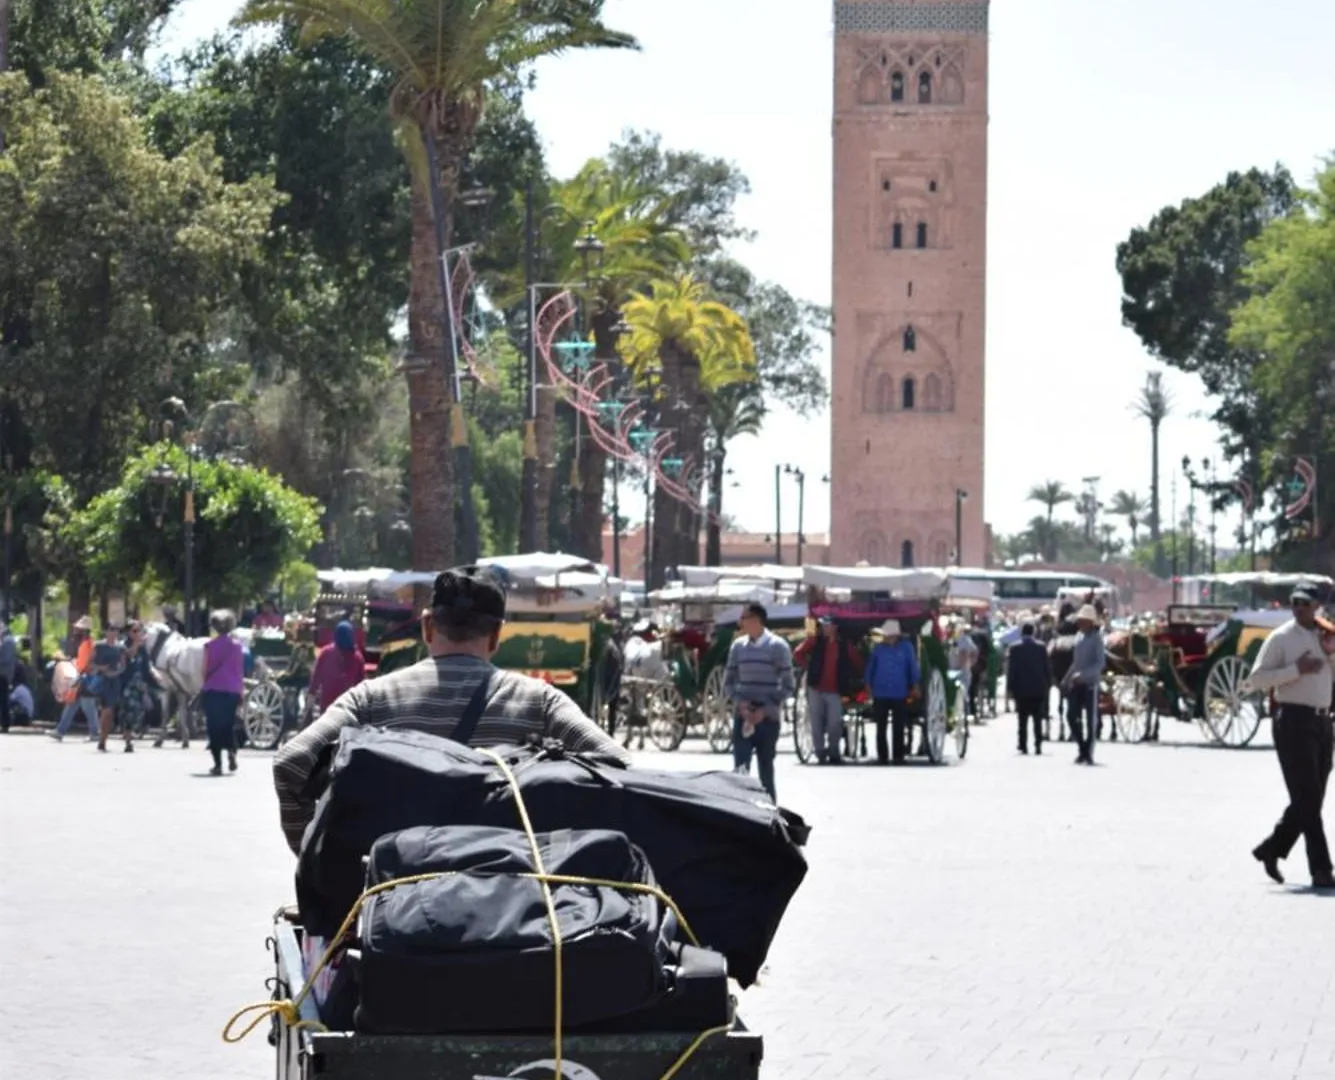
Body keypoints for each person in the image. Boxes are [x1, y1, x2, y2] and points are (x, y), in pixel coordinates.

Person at [273, 568, 631, 854]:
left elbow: (291, 763)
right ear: (496, 636)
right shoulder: (541, 702)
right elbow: (621, 769)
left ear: (428, 626)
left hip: (392, 910)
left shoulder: (370, 699)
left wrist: (314, 855)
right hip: (511, 908)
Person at [1246, 586, 1335, 889]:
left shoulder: (1326, 636)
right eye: (1294, 603)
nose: (1297, 608)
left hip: (1323, 722)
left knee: (1311, 797)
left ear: (1317, 607)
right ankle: (1321, 869)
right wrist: (1296, 670)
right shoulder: (1282, 637)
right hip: (1293, 721)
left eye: (1304, 603)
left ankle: (1272, 848)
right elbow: (1257, 679)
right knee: (1308, 796)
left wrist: (1331, 654)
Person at [722, 602, 795, 800]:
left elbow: (788, 686)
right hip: (743, 716)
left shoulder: (778, 647)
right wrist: (741, 704)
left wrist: (766, 709)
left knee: (766, 770)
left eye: (744, 618)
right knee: (740, 771)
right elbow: (728, 682)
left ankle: (770, 814)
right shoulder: (738, 647)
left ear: (756, 620)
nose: (741, 622)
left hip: (767, 719)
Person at [793, 617, 863, 765]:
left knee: (835, 723)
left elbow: (857, 661)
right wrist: (808, 666)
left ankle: (833, 751)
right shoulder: (815, 641)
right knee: (816, 722)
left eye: (828, 626)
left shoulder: (844, 645)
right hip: (816, 688)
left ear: (834, 627)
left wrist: (855, 676)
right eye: (823, 626)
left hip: (835, 689)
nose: (825, 628)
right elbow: (798, 653)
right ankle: (820, 752)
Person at [865, 619, 921, 764]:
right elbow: (871, 668)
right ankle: (882, 756)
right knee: (881, 727)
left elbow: (912, 667)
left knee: (899, 726)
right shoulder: (878, 649)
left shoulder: (906, 648)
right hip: (880, 692)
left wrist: (915, 684)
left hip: (899, 691)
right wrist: (868, 685)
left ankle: (898, 756)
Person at [202, 610, 245, 776]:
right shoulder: (237, 647)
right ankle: (232, 752)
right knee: (228, 724)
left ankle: (218, 764)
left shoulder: (209, 646)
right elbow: (240, 672)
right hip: (232, 690)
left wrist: (205, 684)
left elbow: (205, 670)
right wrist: (241, 692)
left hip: (214, 690)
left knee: (214, 727)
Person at [1061, 604, 1105, 765]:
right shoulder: (1078, 636)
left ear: (1090, 621)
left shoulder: (1097, 637)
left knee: (1090, 720)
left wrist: (1084, 675)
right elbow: (1076, 662)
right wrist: (1067, 678)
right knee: (1071, 716)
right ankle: (1081, 746)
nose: (1079, 623)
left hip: (1090, 684)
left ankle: (1088, 751)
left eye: (1082, 620)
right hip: (1076, 683)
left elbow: (1100, 663)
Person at [1007, 622, 1053, 755]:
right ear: (1033, 632)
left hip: (1021, 688)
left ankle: (1023, 745)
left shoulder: (1014, 648)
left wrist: (1010, 687)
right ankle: (1038, 744)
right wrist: (1048, 684)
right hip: (1038, 688)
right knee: (1037, 719)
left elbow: (1012, 670)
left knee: (1022, 719)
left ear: (1022, 632)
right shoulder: (1041, 647)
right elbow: (1047, 668)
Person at [308, 619, 366, 713]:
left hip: (336, 706)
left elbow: (316, 678)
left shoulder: (326, 653)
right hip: (343, 707)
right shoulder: (357, 657)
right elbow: (361, 685)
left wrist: (311, 697)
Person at [117, 621, 155, 750]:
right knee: (128, 711)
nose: (138, 633)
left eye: (139, 630)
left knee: (139, 711)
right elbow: (128, 655)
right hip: (127, 684)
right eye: (135, 631)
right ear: (128, 632)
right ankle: (128, 740)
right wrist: (136, 644)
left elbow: (146, 666)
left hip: (139, 684)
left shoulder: (143, 648)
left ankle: (129, 732)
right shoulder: (123, 645)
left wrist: (150, 680)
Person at [91, 623, 127, 753]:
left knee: (110, 713)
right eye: (110, 629)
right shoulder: (99, 646)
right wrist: (101, 668)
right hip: (102, 681)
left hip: (115, 681)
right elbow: (90, 663)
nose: (113, 632)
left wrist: (116, 673)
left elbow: (123, 665)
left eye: (115, 630)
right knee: (107, 711)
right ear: (105, 632)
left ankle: (103, 739)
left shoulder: (120, 647)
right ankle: (102, 738)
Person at [0, 620, 16, 734]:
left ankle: (5, 723)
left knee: (3, 700)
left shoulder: (8, 641)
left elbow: (6, 659)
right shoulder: (5, 641)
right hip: (3, 674)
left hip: (3, 674)